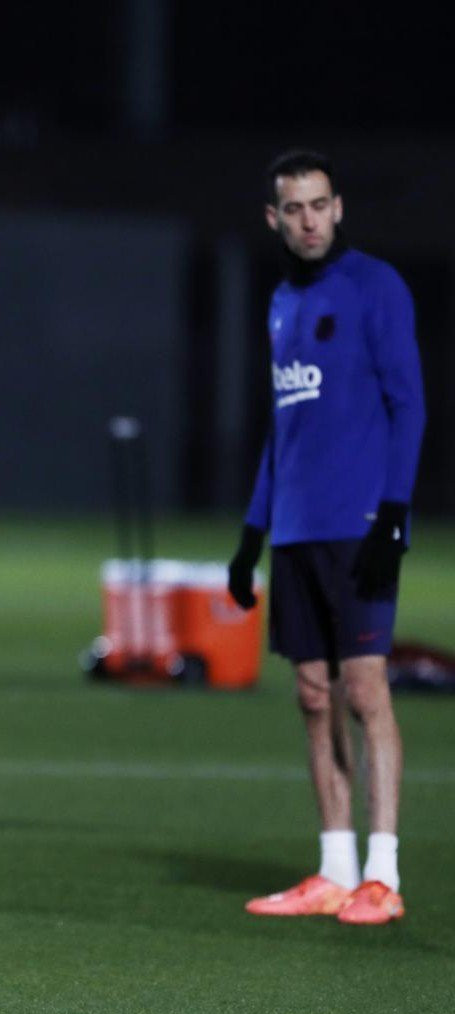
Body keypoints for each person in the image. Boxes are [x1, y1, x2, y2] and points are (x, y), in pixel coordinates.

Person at [228, 149, 426, 926]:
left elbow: (408, 405)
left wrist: (394, 512)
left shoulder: (375, 286)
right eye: (292, 209)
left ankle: (382, 873)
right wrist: (250, 536)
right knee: (312, 697)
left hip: (360, 526)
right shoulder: (278, 302)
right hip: (297, 532)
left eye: (318, 205)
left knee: (365, 690)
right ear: (273, 218)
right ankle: (333, 868)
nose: (307, 220)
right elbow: (283, 432)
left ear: (336, 207)